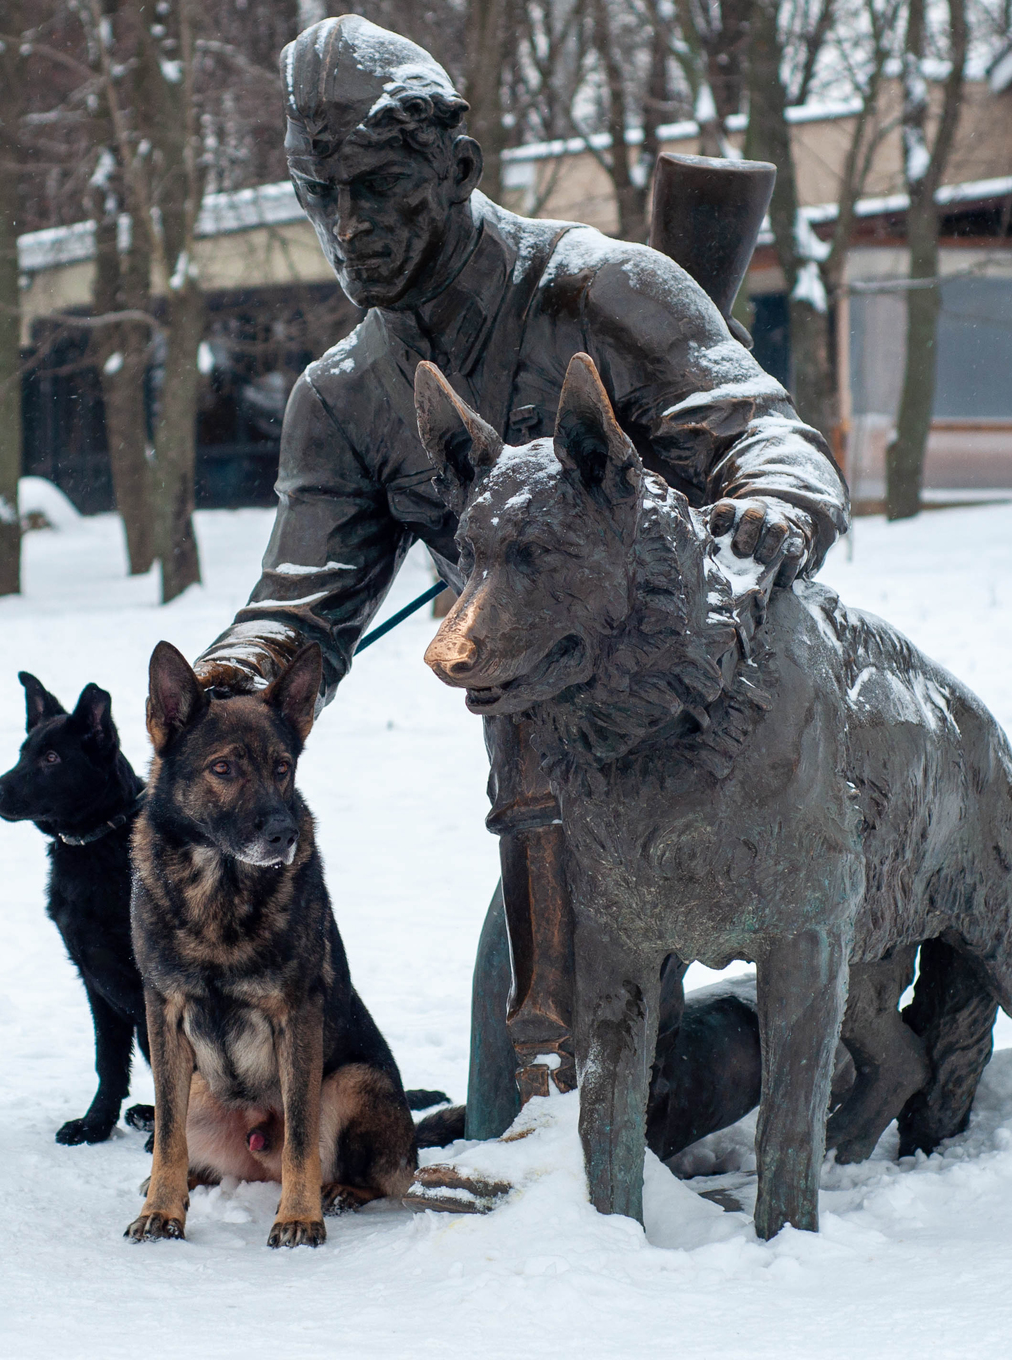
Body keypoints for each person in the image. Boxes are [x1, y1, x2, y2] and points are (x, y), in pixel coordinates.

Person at [192, 15, 850, 1138]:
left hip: (725, 718)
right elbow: (302, 602)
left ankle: (823, 1034)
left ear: (455, 171)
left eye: (378, 188)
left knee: (600, 1078)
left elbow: (766, 438)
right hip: (546, 768)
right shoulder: (344, 398)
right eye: (318, 194)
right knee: (535, 1083)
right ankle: (668, 1082)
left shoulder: (602, 292)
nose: (346, 229)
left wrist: (760, 517)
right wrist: (230, 682)